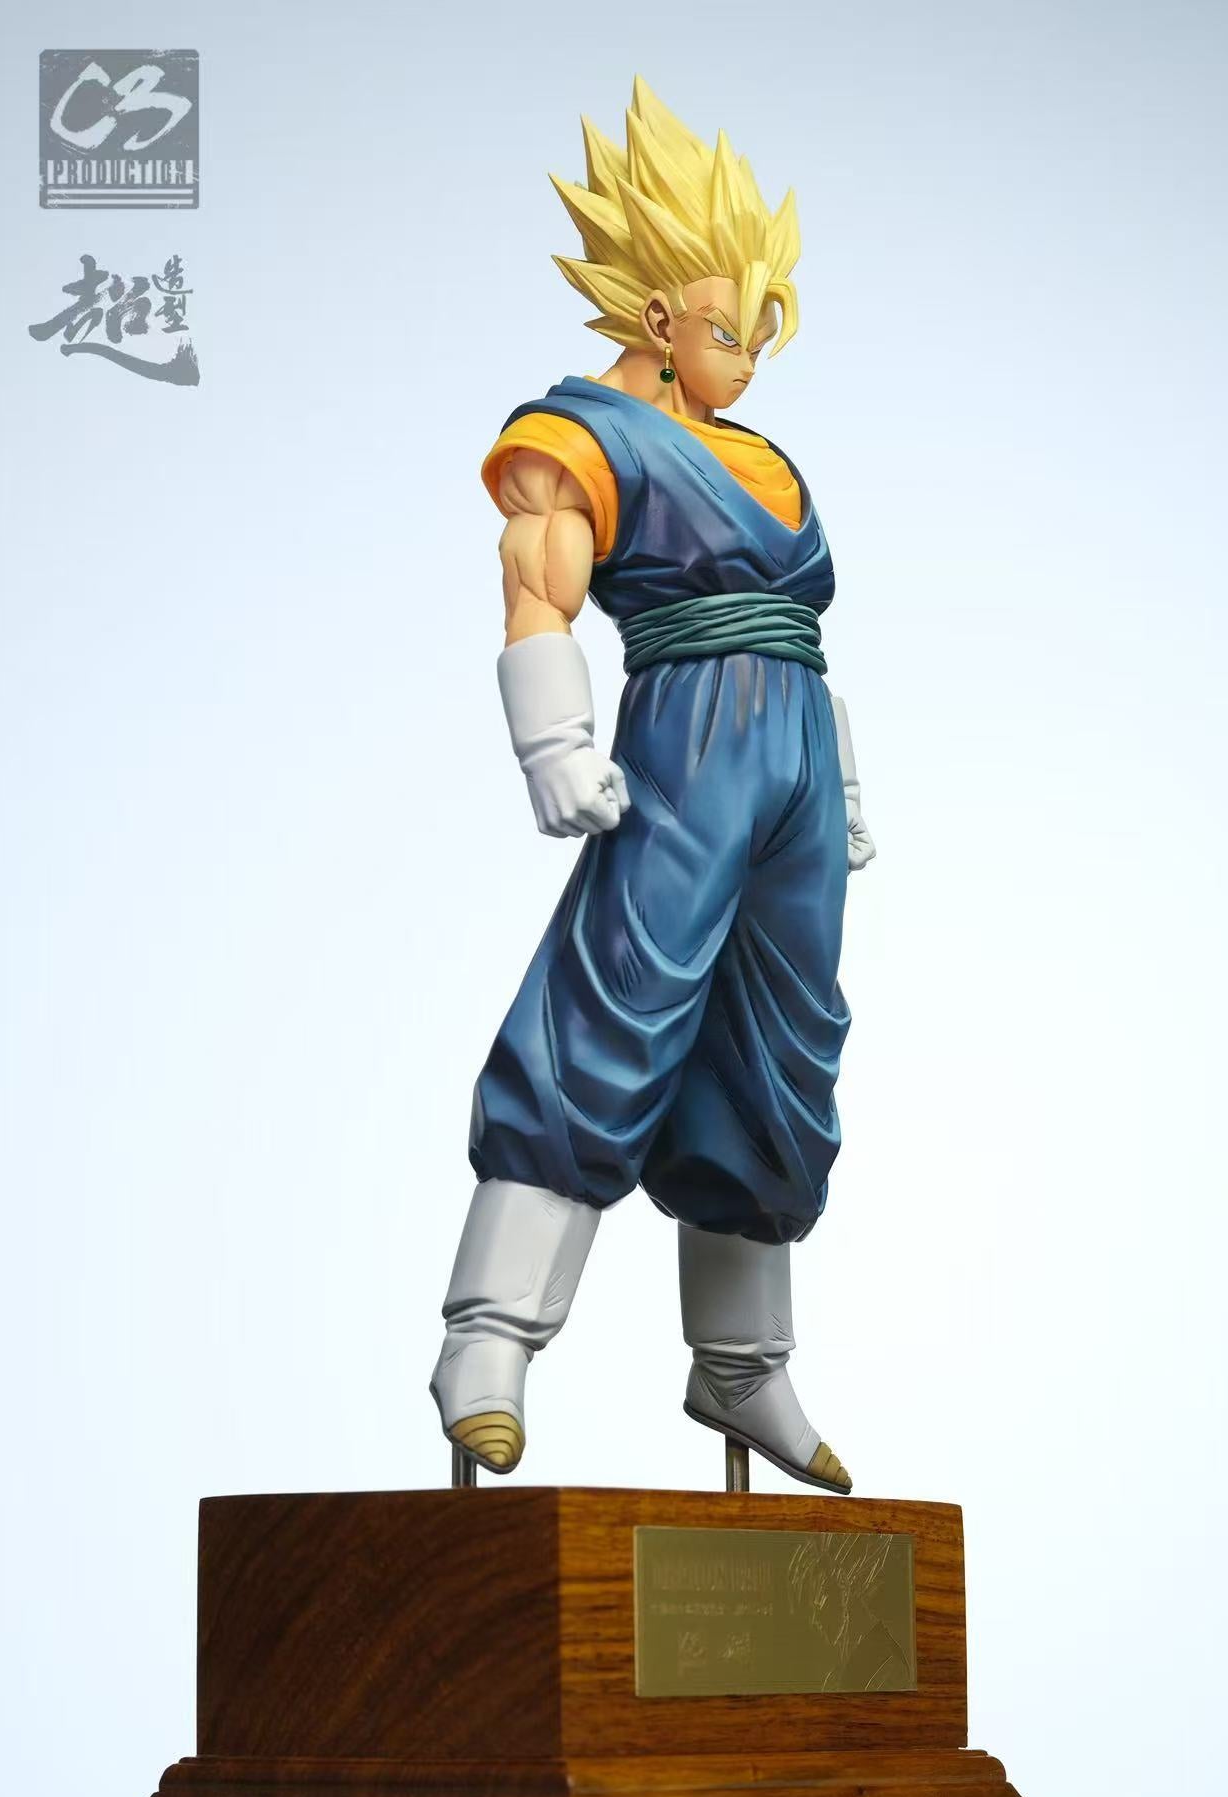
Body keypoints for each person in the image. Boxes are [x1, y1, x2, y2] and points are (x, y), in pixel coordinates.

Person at [429, 76, 875, 1493]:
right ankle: (490, 1334)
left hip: (794, 766)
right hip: (685, 746)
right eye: (732, 326)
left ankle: (740, 1364)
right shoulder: (587, 436)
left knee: (781, 1054)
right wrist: (554, 741)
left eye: (765, 327)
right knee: (612, 1006)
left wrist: (839, 779)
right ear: (657, 315)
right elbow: (536, 584)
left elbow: (800, 635)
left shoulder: (767, 457)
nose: (752, 354)